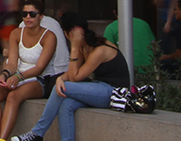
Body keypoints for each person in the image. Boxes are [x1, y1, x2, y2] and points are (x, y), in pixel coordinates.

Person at [9, 12, 132, 141]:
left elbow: (75, 77)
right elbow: (73, 72)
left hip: (114, 92)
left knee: (64, 88)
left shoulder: (99, 50)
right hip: (99, 86)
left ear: (68, 33)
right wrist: (60, 78)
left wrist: (74, 47)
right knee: (66, 104)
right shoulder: (84, 46)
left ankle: (37, 133)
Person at [0, 0, 68, 141]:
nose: (28, 17)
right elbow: (12, 63)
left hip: (41, 79)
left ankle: (2, 139)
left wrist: (18, 77)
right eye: (24, 14)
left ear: (41, 16)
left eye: (32, 14)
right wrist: (4, 75)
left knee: (13, 96)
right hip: (19, 74)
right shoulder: (16, 33)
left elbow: (40, 68)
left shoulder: (49, 36)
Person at [104, 8, 156, 74]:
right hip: (149, 70)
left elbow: (107, 52)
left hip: (126, 72)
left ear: (114, 12)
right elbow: (155, 46)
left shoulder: (111, 28)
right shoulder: (144, 24)